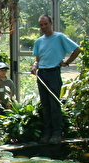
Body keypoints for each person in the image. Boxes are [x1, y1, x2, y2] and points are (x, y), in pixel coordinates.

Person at [31, 14, 81, 145]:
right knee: (45, 105)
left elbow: (77, 49)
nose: (43, 27)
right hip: (42, 74)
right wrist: (34, 66)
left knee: (54, 105)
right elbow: (37, 60)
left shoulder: (59, 37)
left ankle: (57, 133)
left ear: (51, 23)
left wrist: (67, 62)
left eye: (45, 24)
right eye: (41, 25)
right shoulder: (39, 41)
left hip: (54, 73)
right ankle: (47, 133)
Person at [0, 62, 15, 132]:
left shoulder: (9, 81)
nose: (3, 72)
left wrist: (9, 102)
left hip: (6, 104)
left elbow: (12, 92)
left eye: (5, 70)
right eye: (1, 70)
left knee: (6, 119)